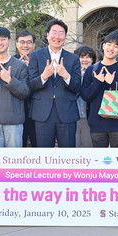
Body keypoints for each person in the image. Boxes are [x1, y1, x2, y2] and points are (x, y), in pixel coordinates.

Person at [27, 18, 82, 147]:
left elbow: (78, 87)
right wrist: (44, 76)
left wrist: (66, 75)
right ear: (47, 35)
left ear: (65, 37)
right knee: (44, 152)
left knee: (67, 153)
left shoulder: (73, 58)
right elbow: (30, 85)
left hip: (67, 112)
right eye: (54, 32)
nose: (57, 36)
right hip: (43, 112)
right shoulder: (35, 56)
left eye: (61, 33)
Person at [81, 33, 118, 147]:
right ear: (103, 46)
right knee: (99, 157)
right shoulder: (92, 69)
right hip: (97, 124)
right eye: (109, 44)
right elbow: (86, 96)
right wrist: (97, 82)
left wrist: (114, 84)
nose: (111, 48)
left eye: (116, 46)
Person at [15, 30, 37, 147]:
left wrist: (31, 69)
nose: (25, 45)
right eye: (22, 42)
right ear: (16, 44)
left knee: (37, 144)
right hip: (17, 110)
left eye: (29, 42)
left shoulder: (39, 60)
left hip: (36, 109)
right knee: (19, 145)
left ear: (34, 45)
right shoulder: (11, 61)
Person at [74, 45, 97, 148]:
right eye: (82, 57)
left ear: (92, 59)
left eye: (88, 57)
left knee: (89, 146)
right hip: (74, 115)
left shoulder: (98, 73)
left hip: (90, 117)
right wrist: (81, 76)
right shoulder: (72, 74)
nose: (85, 60)